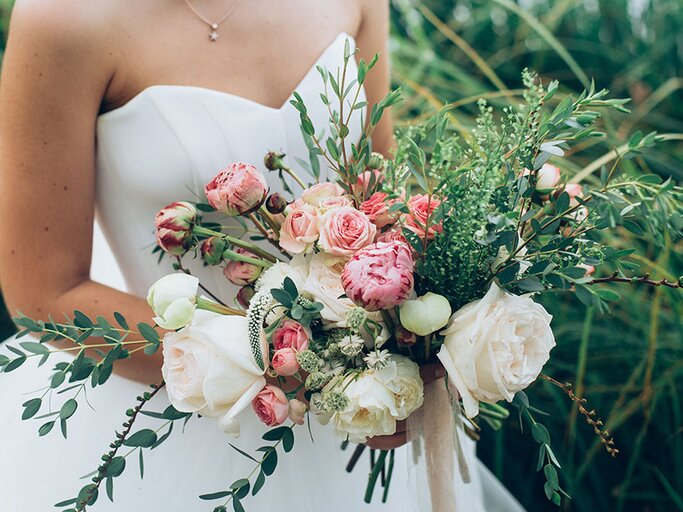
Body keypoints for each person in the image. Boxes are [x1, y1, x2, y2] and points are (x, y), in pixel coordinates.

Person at [0, 0, 525, 509]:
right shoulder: (62, 18)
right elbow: (44, 292)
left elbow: (378, 200)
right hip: (174, 416)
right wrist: (294, 370)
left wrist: (413, 345)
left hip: (362, 413)